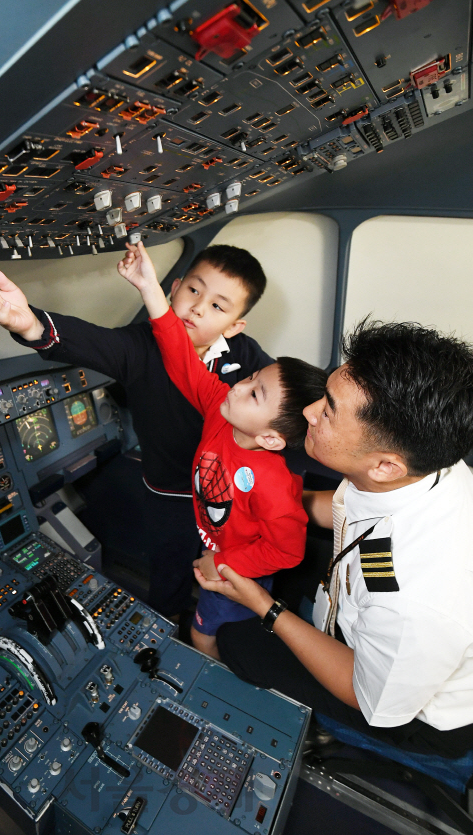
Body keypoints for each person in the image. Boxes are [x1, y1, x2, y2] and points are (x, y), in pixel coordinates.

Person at [197, 320, 473, 758]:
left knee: (238, 638)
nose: (308, 411)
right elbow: (347, 508)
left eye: (327, 410)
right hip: (366, 605)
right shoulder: (432, 464)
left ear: (385, 465)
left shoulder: (415, 605)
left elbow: (362, 690)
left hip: (409, 708)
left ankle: (314, 731)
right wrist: (262, 504)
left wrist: (263, 607)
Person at [0, 243, 273, 618]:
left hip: (228, 491)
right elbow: (90, 341)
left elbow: (280, 400)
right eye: (194, 290)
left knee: (231, 566)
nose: (197, 307)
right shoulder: (138, 346)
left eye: (217, 306)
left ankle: (217, 621)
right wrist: (30, 324)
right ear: (173, 289)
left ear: (235, 325)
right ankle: (168, 621)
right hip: (169, 490)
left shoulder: (246, 355)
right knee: (170, 565)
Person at [117, 241, 327, 657]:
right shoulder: (220, 407)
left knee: (206, 632)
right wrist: (149, 292)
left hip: (236, 565)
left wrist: (226, 563)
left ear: (270, 439)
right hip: (212, 537)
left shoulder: (272, 485)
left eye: (253, 393)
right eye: (250, 380)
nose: (240, 385)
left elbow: (285, 548)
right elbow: (181, 358)